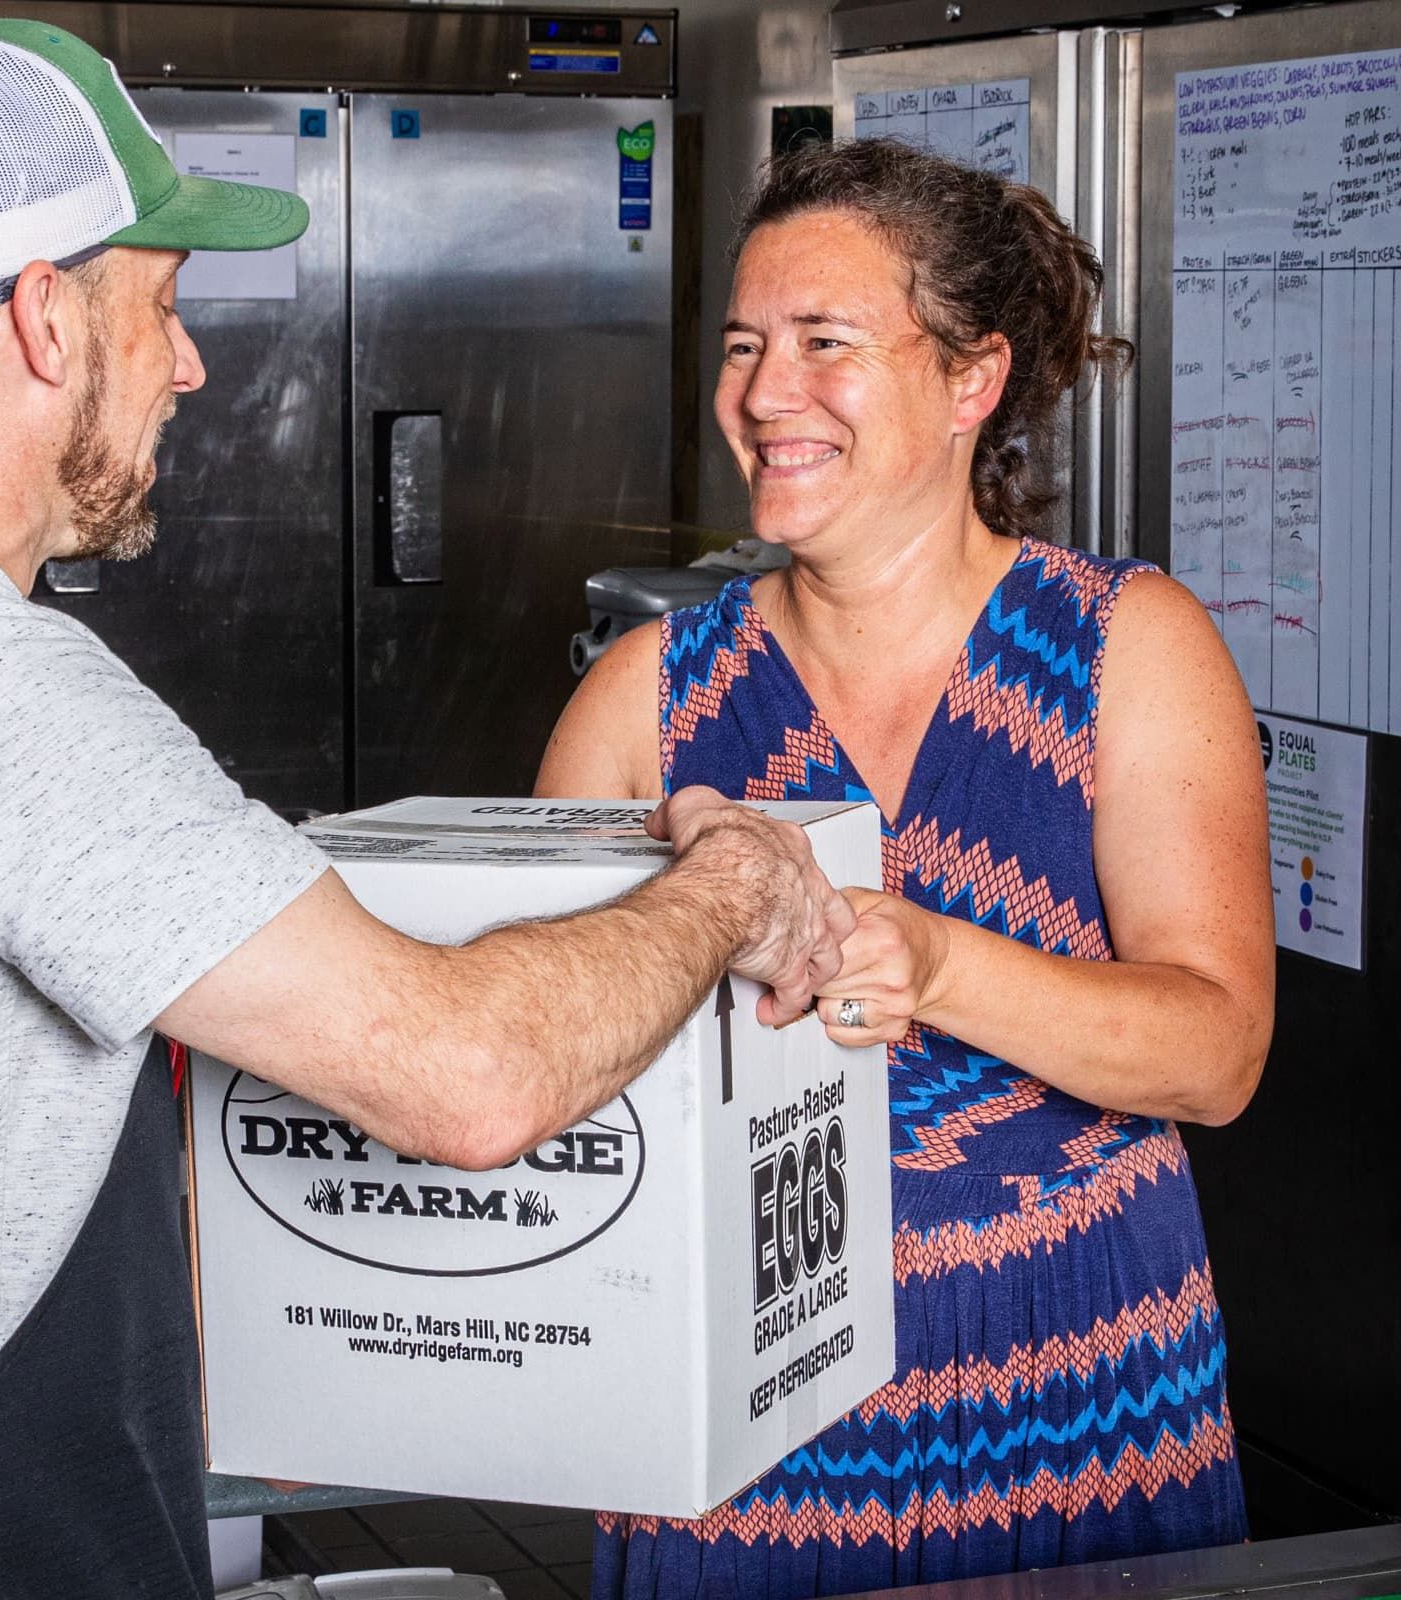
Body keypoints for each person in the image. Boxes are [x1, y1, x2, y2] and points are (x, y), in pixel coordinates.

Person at [0, 21, 853, 1600]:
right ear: (43, 317)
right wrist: (728, 886)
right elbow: (469, 1077)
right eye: (161, 308)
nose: (190, 365)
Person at [537, 137, 1273, 1596]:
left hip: (1075, 1397)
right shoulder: (646, 701)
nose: (763, 393)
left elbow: (1217, 1052)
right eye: (745, 346)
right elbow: (561, 1073)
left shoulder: (1128, 650)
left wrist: (930, 960)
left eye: (826, 343)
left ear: (970, 379)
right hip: (741, 1439)